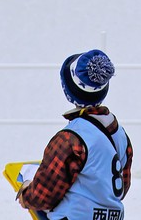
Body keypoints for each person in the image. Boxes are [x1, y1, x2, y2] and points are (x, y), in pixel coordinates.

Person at [17, 50, 132, 219]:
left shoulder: (71, 138)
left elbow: (43, 196)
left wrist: (26, 193)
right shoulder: (120, 135)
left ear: (68, 92)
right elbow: (121, 188)